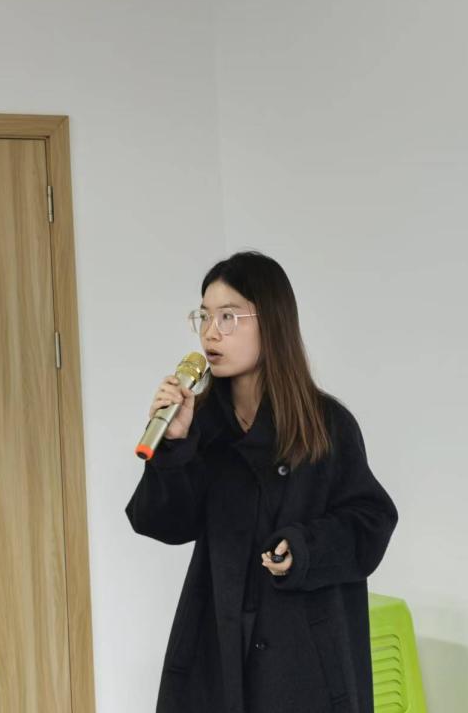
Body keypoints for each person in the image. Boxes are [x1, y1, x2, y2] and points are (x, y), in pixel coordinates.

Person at [126, 250, 399, 713]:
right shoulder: (200, 426)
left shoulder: (326, 425)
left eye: (229, 317)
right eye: (204, 316)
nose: (211, 333)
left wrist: (305, 548)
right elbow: (162, 523)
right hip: (218, 649)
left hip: (304, 659)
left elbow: (371, 523)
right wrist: (174, 446)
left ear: (271, 323)